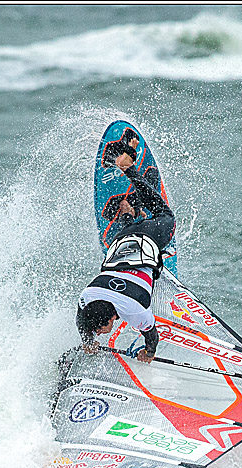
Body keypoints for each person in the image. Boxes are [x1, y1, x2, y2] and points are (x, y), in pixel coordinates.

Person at [76, 136, 175, 363]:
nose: (101, 333)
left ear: (111, 318)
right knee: (129, 235)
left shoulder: (135, 310)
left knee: (164, 214)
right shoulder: (86, 297)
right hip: (120, 242)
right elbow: (82, 320)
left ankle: (128, 169)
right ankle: (127, 211)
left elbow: (152, 335)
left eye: (101, 330)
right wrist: (88, 340)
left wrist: (149, 353)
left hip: (148, 238)